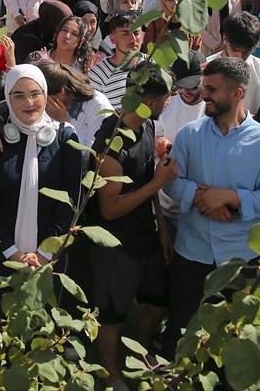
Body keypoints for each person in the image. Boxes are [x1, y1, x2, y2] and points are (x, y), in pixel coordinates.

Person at [162, 57, 260, 345]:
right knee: (181, 331)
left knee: (232, 338)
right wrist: (202, 198)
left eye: (212, 89)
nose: (203, 94)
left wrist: (230, 198)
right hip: (192, 254)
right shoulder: (189, 135)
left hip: (239, 258)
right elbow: (170, 183)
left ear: (238, 93)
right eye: (205, 86)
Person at [88, 65, 177, 386]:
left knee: (159, 301)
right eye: (168, 97)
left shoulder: (149, 127)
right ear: (150, 102)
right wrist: (158, 184)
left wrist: (163, 229)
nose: (172, 101)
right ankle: (110, 370)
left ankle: (137, 352)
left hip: (147, 236)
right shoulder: (112, 145)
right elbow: (109, 209)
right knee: (113, 315)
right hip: (116, 245)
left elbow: (144, 179)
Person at [0, 65, 85, 271]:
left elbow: (71, 203)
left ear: (45, 94)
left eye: (35, 94)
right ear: (8, 100)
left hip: (52, 256)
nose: (29, 103)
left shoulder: (65, 138)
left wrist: (44, 254)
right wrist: (11, 252)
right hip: (1, 255)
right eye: (18, 96)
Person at [209, 12, 260, 113]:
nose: (240, 57)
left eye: (246, 52)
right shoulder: (206, 67)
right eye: (235, 50)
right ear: (224, 39)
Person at [88, 11, 145, 109]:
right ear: (113, 39)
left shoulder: (153, 64)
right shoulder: (98, 74)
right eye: (125, 34)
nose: (133, 39)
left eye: (136, 33)